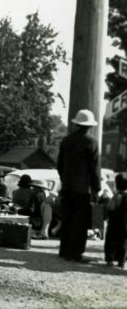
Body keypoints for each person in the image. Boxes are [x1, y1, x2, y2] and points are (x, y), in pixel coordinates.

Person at [57, 109, 101, 263]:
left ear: (76, 124)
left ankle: (64, 250)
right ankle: (75, 253)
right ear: (89, 126)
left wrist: (64, 179)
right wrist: (97, 188)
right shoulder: (92, 142)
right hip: (82, 189)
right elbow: (94, 168)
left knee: (67, 218)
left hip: (67, 186)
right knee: (79, 222)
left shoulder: (66, 141)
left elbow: (59, 165)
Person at [105, 172, 127, 268]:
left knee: (110, 241)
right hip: (125, 224)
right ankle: (121, 261)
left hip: (113, 224)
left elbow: (109, 208)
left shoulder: (115, 197)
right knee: (123, 243)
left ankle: (109, 259)